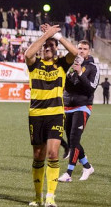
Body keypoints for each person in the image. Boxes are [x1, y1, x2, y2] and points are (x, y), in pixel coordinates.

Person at [24, 24, 78, 207]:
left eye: (52, 45)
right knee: (38, 156)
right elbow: (27, 54)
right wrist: (47, 36)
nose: (48, 47)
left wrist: (58, 36)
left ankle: (50, 197)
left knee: (53, 154)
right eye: (46, 45)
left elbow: (75, 51)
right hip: (36, 114)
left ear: (56, 48)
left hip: (55, 114)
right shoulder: (34, 63)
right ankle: (38, 197)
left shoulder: (62, 64)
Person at [58, 40, 99, 183]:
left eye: (85, 49)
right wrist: (68, 75)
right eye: (79, 48)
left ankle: (68, 173)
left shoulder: (93, 67)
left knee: (74, 139)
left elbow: (91, 88)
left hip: (83, 106)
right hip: (68, 106)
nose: (81, 51)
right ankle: (87, 167)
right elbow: (67, 86)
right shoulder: (71, 64)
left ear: (89, 51)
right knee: (72, 141)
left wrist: (80, 73)